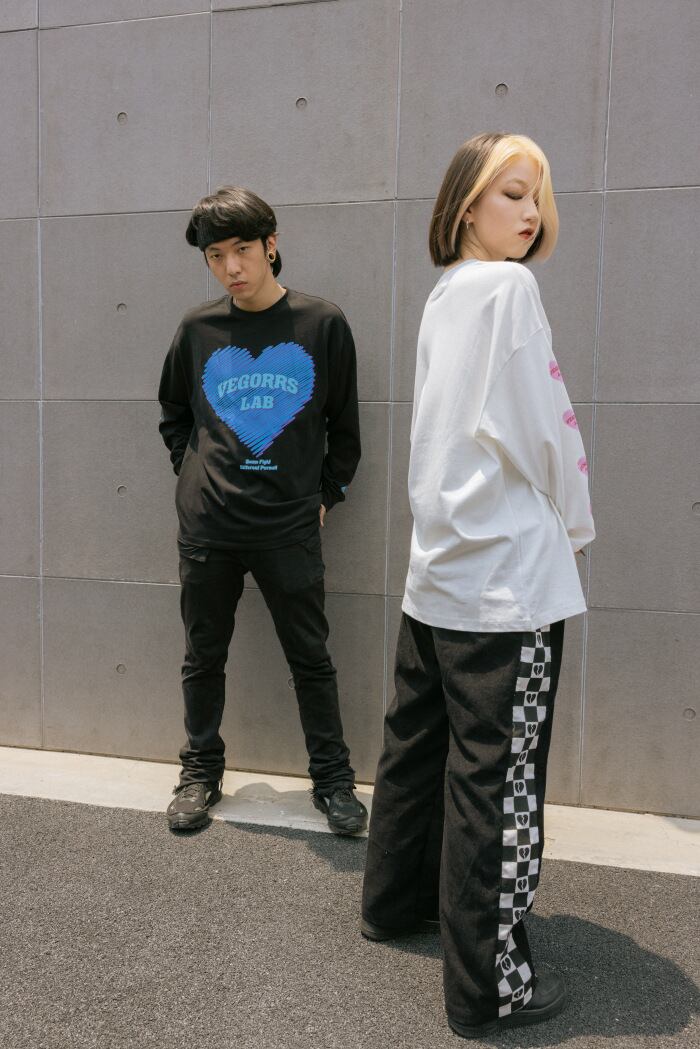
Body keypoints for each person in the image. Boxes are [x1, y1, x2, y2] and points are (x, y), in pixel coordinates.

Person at [361, 133, 595, 1038]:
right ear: (467, 204)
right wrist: (576, 521)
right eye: (511, 193)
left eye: (536, 196)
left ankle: (394, 903)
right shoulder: (508, 289)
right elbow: (544, 428)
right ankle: (491, 985)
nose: (530, 213)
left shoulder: (449, 292)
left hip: (442, 570)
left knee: (418, 750)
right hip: (507, 582)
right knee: (500, 782)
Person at [158, 186, 367, 837]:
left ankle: (332, 779)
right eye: (215, 256)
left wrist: (325, 496)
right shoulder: (197, 330)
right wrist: (194, 476)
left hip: (288, 528)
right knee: (202, 656)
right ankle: (200, 772)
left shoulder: (321, 324)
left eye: (242, 249)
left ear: (271, 245)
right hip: (209, 529)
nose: (231, 267)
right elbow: (173, 413)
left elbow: (345, 430)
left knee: (311, 658)